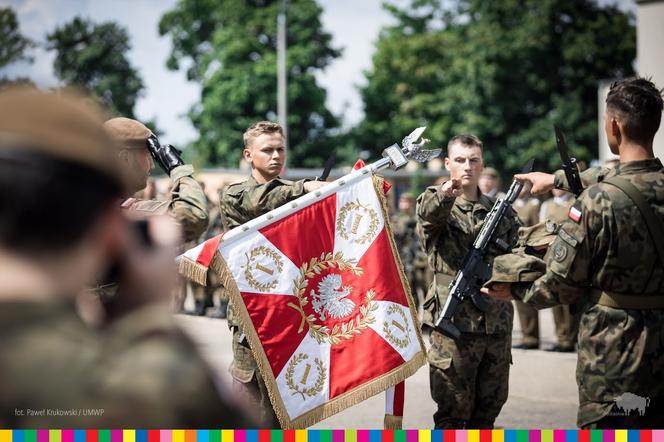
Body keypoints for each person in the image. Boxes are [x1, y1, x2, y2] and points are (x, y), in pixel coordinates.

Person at [0, 87, 252, 428]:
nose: (150, 164)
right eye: (148, 154)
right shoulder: (146, 384)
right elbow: (193, 214)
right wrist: (145, 310)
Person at [483, 77, 664, 428]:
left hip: (616, 364)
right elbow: (618, 176)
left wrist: (513, 290)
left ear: (614, 126)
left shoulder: (598, 202)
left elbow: (560, 286)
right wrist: (555, 179)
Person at [219, 121, 326, 427]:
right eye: (267, 150)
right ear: (248, 155)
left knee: (286, 417)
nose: (276, 156)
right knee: (248, 418)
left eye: (281, 149)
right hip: (252, 324)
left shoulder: (295, 196)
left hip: (291, 320)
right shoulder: (236, 195)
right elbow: (262, 199)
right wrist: (306, 187)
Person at [416, 134, 520, 429]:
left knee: (487, 415)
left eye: (473, 160)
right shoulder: (435, 203)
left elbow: (519, 251)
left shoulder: (501, 212)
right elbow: (428, 214)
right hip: (454, 329)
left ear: (482, 164)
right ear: (448, 163)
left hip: (495, 324)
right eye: (460, 160)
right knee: (452, 415)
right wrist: (446, 194)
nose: (467, 167)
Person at [103, 117, 208, 243]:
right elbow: (194, 218)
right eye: (148, 155)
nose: (152, 165)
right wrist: (177, 168)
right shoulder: (128, 214)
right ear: (125, 159)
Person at [538, 188, 579, 352]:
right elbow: (541, 229)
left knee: (569, 300)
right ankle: (561, 337)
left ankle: (570, 339)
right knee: (554, 298)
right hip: (550, 257)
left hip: (570, 256)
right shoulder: (546, 205)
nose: (556, 190)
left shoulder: (575, 204)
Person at [511, 192, 542, 349]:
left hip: (528, 257)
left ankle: (531, 337)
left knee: (528, 299)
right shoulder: (511, 204)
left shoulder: (533, 205)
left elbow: (537, 232)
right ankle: (526, 336)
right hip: (514, 258)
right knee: (519, 301)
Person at [391, 192, 428, 310]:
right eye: (402, 201)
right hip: (403, 261)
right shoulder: (395, 220)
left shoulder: (418, 220)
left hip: (419, 261)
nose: (405, 204)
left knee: (425, 289)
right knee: (409, 292)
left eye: (407, 201)